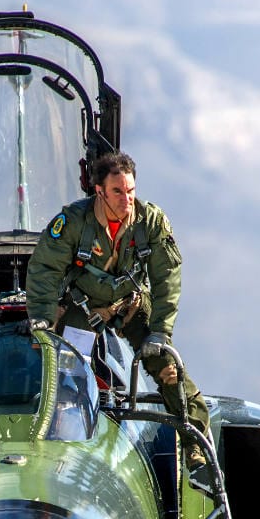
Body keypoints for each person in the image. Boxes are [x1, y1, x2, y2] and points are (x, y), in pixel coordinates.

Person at [26, 151, 210, 474]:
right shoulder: (72, 223)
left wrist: (160, 332)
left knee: (169, 368)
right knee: (62, 373)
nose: (127, 200)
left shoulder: (150, 222)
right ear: (99, 191)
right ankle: (54, 452)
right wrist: (42, 320)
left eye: (131, 191)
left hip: (131, 306)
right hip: (85, 308)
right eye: (117, 192)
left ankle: (196, 443)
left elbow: (168, 277)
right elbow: (44, 268)